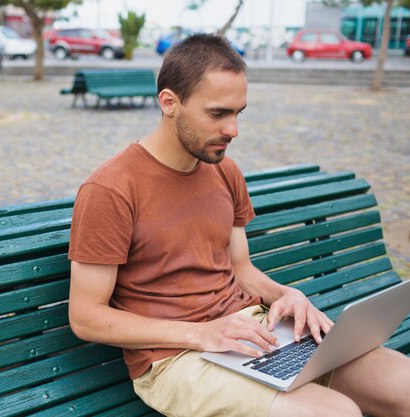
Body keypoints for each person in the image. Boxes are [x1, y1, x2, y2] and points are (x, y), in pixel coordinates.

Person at [67, 33, 410, 417]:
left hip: (251, 333)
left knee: (403, 384)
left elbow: (241, 268)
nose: (233, 130)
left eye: (238, 113)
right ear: (169, 103)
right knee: (334, 413)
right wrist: (199, 333)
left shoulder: (224, 170)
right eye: (218, 114)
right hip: (174, 359)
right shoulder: (111, 188)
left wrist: (284, 294)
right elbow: (86, 316)